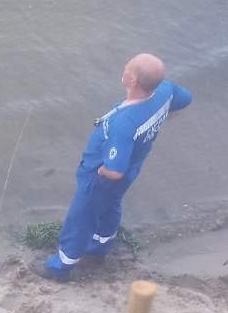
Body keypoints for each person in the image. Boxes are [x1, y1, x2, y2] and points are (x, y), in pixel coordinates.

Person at [43, 54, 192, 280]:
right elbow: (185, 99)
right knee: (111, 203)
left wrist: (99, 172)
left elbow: (114, 171)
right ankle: (102, 243)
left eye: (127, 69)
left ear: (132, 82)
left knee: (81, 217)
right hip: (134, 165)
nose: (123, 70)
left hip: (102, 177)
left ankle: (61, 266)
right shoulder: (165, 91)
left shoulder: (122, 124)